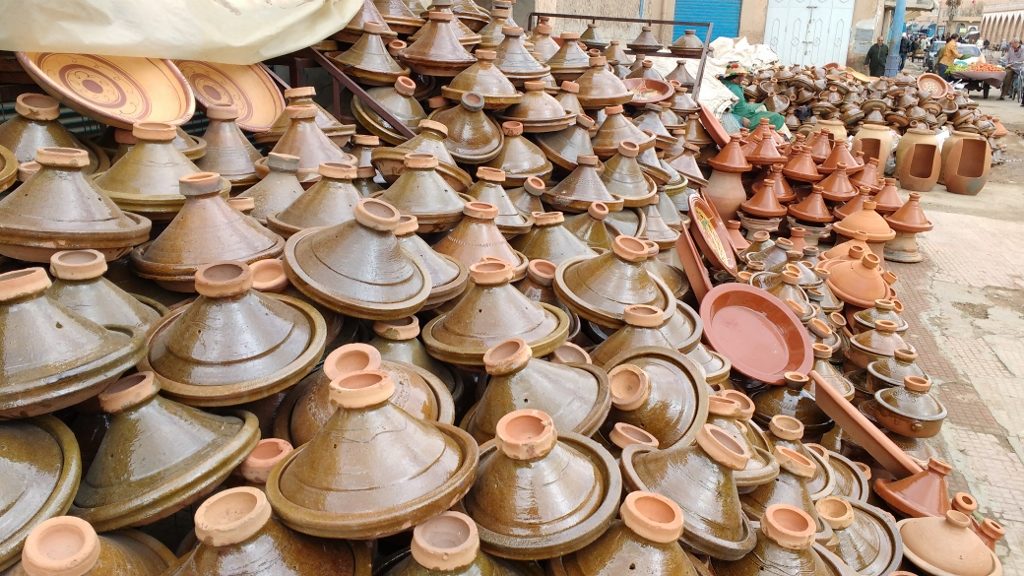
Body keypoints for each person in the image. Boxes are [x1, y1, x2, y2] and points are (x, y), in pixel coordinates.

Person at [719, 62, 785, 130]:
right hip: (743, 115)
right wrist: (740, 118)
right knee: (777, 117)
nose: (744, 77)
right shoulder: (733, 89)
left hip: (744, 110)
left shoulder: (727, 83)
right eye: (742, 75)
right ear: (735, 78)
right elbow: (725, 110)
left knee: (762, 107)